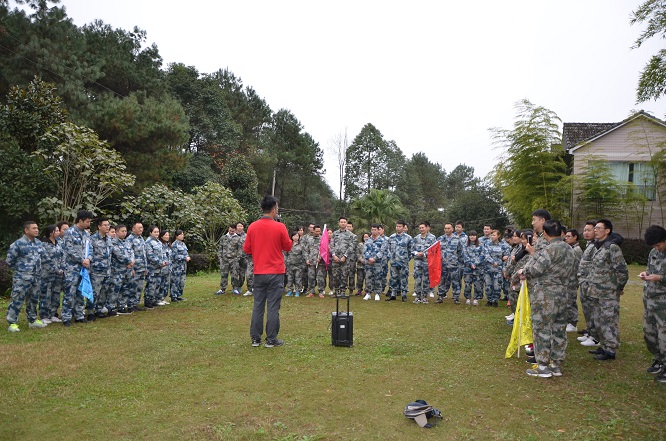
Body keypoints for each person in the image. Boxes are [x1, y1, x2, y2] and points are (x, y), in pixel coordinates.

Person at [519, 220, 576, 378]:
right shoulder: (569, 249)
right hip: (564, 293)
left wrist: (525, 271)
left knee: (542, 327)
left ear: (545, 233)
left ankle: (543, 366)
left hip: (546, 293)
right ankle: (555, 364)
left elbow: (536, 269)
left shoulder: (550, 249)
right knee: (559, 328)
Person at [244, 195, 292, 348]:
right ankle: (271, 339)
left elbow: (247, 249)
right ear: (274, 209)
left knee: (258, 305)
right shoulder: (280, 227)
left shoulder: (252, 226)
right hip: (276, 272)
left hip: (259, 272)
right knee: (273, 306)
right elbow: (288, 246)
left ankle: (255, 339)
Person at [583, 219, 629, 361]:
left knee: (609, 321)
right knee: (598, 320)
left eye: (598, 228)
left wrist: (618, 287)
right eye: (595, 228)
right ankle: (604, 345)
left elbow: (622, 271)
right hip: (596, 292)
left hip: (608, 293)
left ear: (607, 230)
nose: (595, 230)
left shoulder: (612, 247)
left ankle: (611, 350)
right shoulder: (598, 246)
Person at [6, 221, 46, 332]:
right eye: (34, 228)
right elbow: (9, 261)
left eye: (37, 228)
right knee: (17, 299)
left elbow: (43, 257)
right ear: (26, 230)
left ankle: (32, 320)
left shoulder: (38, 243)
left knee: (33, 299)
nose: (37, 230)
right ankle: (12, 322)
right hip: (22, 278)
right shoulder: (18, 244)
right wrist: (21, 270)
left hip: (36, 277)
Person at [640, 225, 666, 383]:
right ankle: (659, 359)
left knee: (664, 338)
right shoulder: (653, 252)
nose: (656, 248)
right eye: (654, 246)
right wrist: (646, 274)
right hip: (650, 301)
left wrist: (661, 278)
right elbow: (650, 269)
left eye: (658, 245)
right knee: (649, 334)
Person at [61, 210, 93, 326]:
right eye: (87, 221)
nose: (89, 224)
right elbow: (69, 250)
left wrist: (88, 258)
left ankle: (79, 315)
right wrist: (81, 260)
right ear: (80, 220)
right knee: (70, 293)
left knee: (80, 292)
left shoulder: (87, 234)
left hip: (83, 268)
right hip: (72, 268)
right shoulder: (69, 233)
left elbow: (91, 248)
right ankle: (66, 317)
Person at [38, 225, 63, 324]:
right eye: (56, 231)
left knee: (56, 294)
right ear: (51, 233)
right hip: (47, 274)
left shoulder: (59, 243)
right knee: (45, 295)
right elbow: (46, 260)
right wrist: (56, 269)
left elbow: (62, 256)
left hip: (58, 274)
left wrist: (61, 268)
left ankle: (53, 314)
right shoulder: (43, 244)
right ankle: (44, 315)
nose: (58, 232)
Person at [89, 217, 113, 320]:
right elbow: (89, 254)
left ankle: (99, 310)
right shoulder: (92, 239)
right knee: (95, 292)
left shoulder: (109, 239)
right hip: (96, 271)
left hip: (107, 270)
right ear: (99, 227)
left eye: (108, 225)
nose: (107, 227)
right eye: (105, 225)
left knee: (104, 292)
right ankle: (90, 311)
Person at [436, 223, 464, 304]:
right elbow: (436, 251)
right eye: (445, 228)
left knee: (455, 281)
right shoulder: (440, 239)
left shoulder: (457, 239)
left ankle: (456, 297)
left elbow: (460, 252)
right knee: (442, 281)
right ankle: (440, 297)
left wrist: (459, 263)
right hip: (443, 264)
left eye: (449, 228)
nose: (447, 230)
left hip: (454, 265)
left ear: (452, 229)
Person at [110, 224, 135, 314]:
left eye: (125, 231)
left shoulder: (127, 242)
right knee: (115, 289)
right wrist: (129, 261)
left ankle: (122, 306)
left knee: (125, 289)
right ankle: (111, 307)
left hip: (127, 270)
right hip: (117, 271)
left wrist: (132, 261)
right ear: (116, 232)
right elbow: (119, 255)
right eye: (122, 231)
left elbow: (132, 252)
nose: (124, 233)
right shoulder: (113, 242)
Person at [386, 220, 413, 302]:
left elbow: (410, 250)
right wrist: (391, 257)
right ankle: (393, 294)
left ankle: (404, 294)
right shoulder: (391, 237)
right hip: (394, 262)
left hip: (403, 262)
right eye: (397, 226)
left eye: (400, 226)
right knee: (393, 278)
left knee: (404, 278)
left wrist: (406, 259)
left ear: (403, 227)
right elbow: (388, 249)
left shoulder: (408, 238)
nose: (398, 228)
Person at [412, 222, 437, 304]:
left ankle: (425, 297)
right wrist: (416, 253)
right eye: (420, 228)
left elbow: (434, 250)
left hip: (427, 262)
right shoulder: (416, 238)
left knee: (426, 280)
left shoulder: (432, 238)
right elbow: (412, 249)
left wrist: (425, 254)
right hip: (418, 262)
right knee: (417, 280)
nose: (421, 229)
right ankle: (418, 296)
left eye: (423, 227)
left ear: (427, 228)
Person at [330, 217, 356, 297]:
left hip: (345, 259)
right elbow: (331, 245)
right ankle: (336, 291)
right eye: (341, 222)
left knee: (344, 275)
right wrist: (334, 255)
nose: (343, 223)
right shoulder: (334, 234)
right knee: (335, 275)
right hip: (335, 258)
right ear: (339, 223)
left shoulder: (351, 235)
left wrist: (345, 256)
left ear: (346, 223)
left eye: (344, 222)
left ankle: (343, 292)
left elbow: (352, 246)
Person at [483, 229, 509, 307]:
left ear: (498, 236)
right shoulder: (487, 244)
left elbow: (507, 257)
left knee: (497, 285)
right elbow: (486, 254)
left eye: (494, 235)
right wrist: (492, 262)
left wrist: (503, 266)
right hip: (488, 268)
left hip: (498, 269)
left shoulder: (503, 245)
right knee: (488, 285)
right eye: (491, 235)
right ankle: (489, 300)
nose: (492, 236)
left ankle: (495, 300)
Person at [564, 228, 583, 332]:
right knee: (567, 301)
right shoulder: (571, 248)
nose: (566, 238)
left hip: (572, 279)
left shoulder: (576, 250)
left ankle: (572, 322)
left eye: (569, 236)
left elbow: (575, 267)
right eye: (565, 236)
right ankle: (569, 321)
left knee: (570, 301)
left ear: (575, 237)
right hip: (568, 279)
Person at [144, 226, 167, 309]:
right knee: (151, 285)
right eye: (155, 232)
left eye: (157, 232)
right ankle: (148, 301)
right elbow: (150, 255)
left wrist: (164, 261)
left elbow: (163, 253)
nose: (157, 233)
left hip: (159, 268)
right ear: (150, 233)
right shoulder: (148, 242)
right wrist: (160, 262)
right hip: (152, 268)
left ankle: (154, 300)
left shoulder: (158, 242)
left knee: (157, 284)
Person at [127, 222, 148, 311]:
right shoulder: (130, 239)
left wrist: (146, 267)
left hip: (142, 268)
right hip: (135, 268)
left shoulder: (141, 239)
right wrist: (131, 268)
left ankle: (136, 303)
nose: (141, 229)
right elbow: (129, 254)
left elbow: (144, 254)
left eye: (142, 228)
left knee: (139, 287)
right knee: (133, 287)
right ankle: (130, 304)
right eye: (139, 228)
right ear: (133, 229)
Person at [363, 224, 386, 301]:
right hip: (368, 262)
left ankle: (377, 293)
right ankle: (368, 293)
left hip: (377, 262)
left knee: (377, 277)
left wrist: (375, 258)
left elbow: (382, 251)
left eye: (375, 229)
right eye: (372, 229)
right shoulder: (367, 240)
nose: (373, 231)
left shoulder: (382, 240)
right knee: (368, 277)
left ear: (378, 230)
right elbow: (365, 251)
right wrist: (369, 258)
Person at [462, 231, 484, 306]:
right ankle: (468, 298)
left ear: (476, 236)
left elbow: (482, 255)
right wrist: (470, 263)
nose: (472, 237)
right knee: (468, 284)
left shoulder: (480, 245)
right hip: (468, 268)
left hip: (478, 268)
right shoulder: (465, 245)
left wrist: (475, 263)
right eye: (471, 235)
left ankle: (476, 299)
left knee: (477, 284)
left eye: (474, 235)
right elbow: (464, 255)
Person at [216, 225, 238, 295]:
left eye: (233, 231)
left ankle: (235, 289)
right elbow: (220, 248)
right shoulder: (223, 237)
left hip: (233, 259)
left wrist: (237, 258)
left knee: (234, 275)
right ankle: (222, 289)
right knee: (223, 274)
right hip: (224, 259)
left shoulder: (238, 238)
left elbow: (240, 249)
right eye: (230, 230)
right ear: (228, 229)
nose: (231, 232)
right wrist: (220, 257)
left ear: (235, 230)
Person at [170, 230, 190, 302]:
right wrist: (184, 258)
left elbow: (186, 253)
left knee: (182, 282)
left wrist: (187, 257)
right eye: (180, 234)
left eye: (183, 234)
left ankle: (179, 295)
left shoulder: (183, 244)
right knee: (175, 281)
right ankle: (173, 296)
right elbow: (174, 256)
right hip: (176, 267)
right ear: (176, 236)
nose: (182, 236)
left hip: (183, 266)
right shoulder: (174, 245)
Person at [157, 229, 172, 305]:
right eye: (165, 235)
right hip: (162, 268)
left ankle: (162, 298)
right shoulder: (159, 245)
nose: (167, 236)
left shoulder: (168, 245)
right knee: (161, 284)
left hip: (168, 268)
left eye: (168, 235)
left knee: (166, 284)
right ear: (161, 236)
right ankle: (158, 299)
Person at [345, 221, 358, 295]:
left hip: (352, 258)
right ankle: (343, 288)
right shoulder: (342, 235)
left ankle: (351, 289)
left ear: (352, 228)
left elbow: (354, 248)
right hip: (344, 258)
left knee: (351, 274)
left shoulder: (354, 236)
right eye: (347, 226)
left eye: (350, 227)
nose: (348, 228)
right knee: (343, 274)